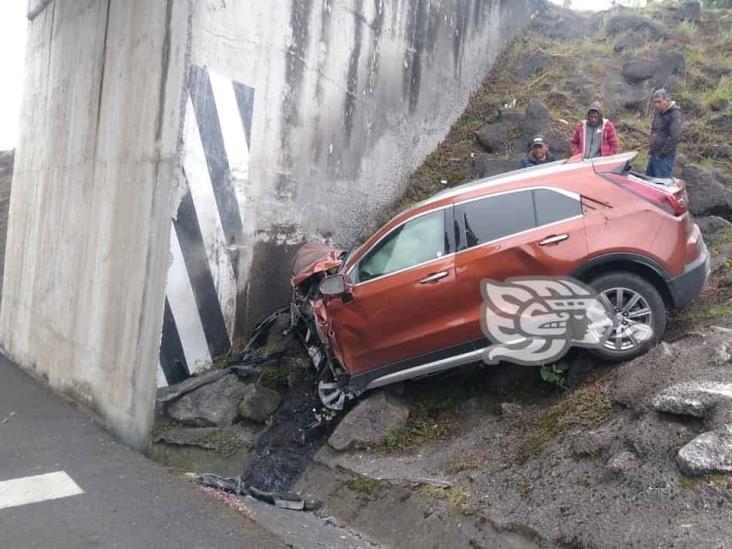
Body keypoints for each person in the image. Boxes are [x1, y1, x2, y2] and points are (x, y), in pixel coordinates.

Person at [646, 88, 682, 178]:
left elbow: (674, 136)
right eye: (655, 102)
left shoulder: (675, 114)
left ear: (667, 100)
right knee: (648, 183)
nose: (656, 105)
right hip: (654, 154)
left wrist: (663, 153)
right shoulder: (658, 113)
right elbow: (654, 131)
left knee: (662, 184)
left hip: (664, 157)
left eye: (659, 102)